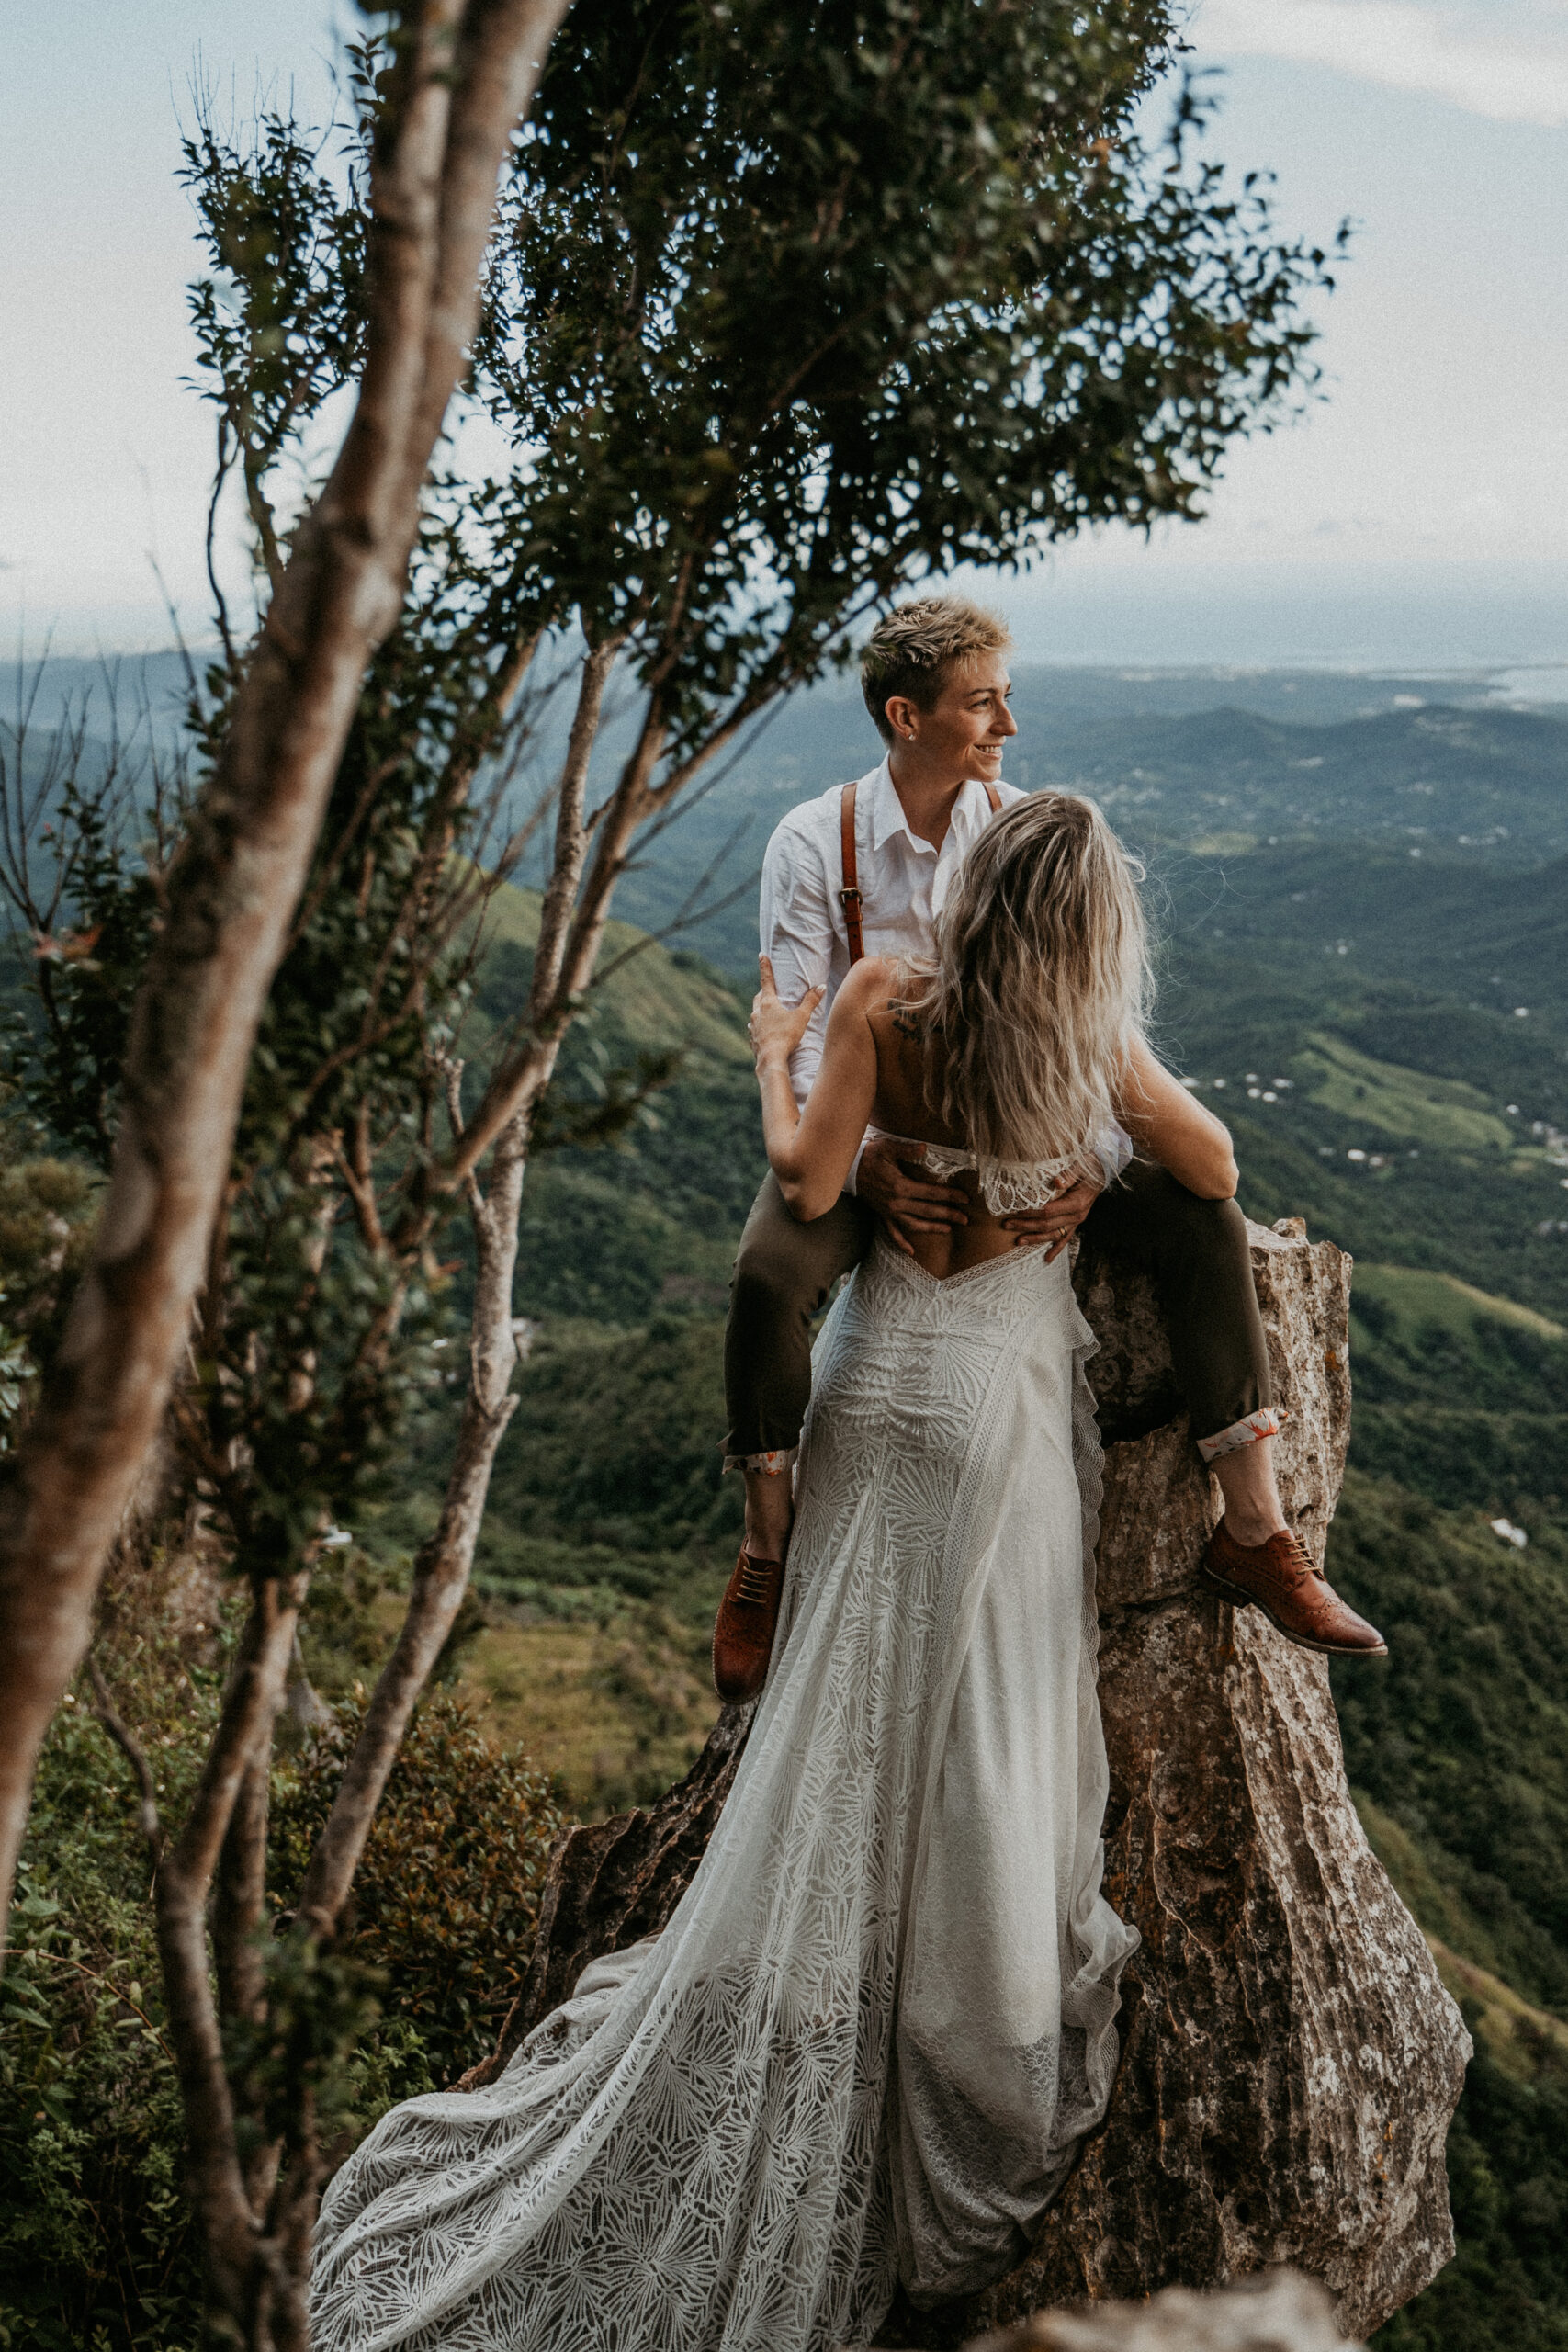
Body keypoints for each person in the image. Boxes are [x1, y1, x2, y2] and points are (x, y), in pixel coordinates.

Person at [311, 793, 1168, 2352]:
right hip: (996, 1418)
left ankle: (787, 1971)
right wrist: (1087, 1185)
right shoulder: (1085, 1043)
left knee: (830, 1723)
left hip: (874, 1391)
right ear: (1096, 927)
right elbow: (1215, 1159)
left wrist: (777, 1052)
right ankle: (941, 2027)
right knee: (976, 1736)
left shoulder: (883, 1000)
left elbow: (810, 1185)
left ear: (967, 894)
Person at [713, 596, 1385, 1702]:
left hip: (1036, 1126)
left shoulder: (1022, 827)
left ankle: (1255, 1527)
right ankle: (767, 1549)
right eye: (984, 703)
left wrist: (1079, 1159)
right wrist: (872, 1158)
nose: (1007, 727)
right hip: (869, 1123)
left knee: (1198, 1215)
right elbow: (797, 1031)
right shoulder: (811, 842)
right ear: (905, 715)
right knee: (764, 1278)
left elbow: (1082, 1026)